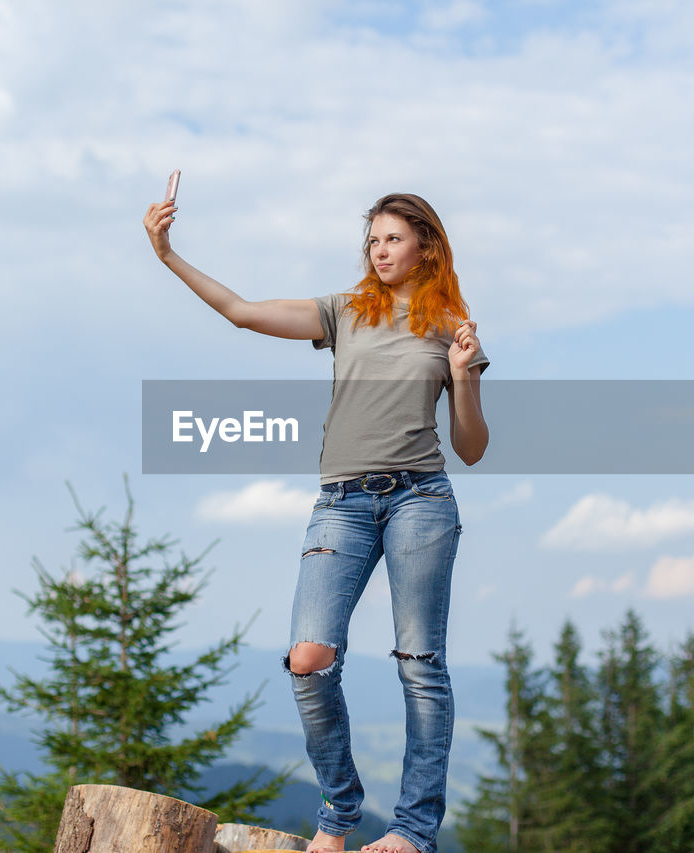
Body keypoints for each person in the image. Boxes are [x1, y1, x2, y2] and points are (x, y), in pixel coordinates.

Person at [143, 190, 489, 853]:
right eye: (373, 241)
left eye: (392, 239)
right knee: (309, 658)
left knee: (421, 664)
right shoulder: (344, 312)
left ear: (427, 247)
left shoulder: (453, 324)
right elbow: (241, 313)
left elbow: (471, 446)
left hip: (421, 499)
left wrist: (462, 377)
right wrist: (167, 255)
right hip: (343, 503)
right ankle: (339, 810)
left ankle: (412, 830)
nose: (380, 251)